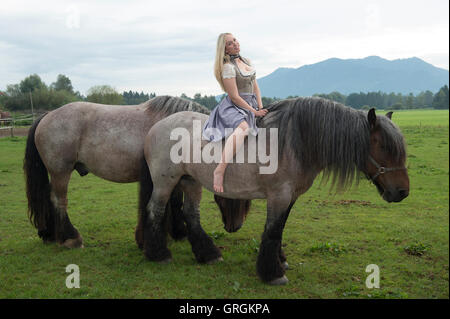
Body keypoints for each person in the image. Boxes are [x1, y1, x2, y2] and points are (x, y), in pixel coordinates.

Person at [202, 33, 268, 193]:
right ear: (224, 49)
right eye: (230, 43)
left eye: (235, 40)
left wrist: (260, 107)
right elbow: (234, 96)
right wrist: (253, 112)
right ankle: (220, 170)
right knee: (244, 128)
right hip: (233, 107)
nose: (235, 44)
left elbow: (255, 87)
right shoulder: (228, 68)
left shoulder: (247, 62)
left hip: (251, 103)